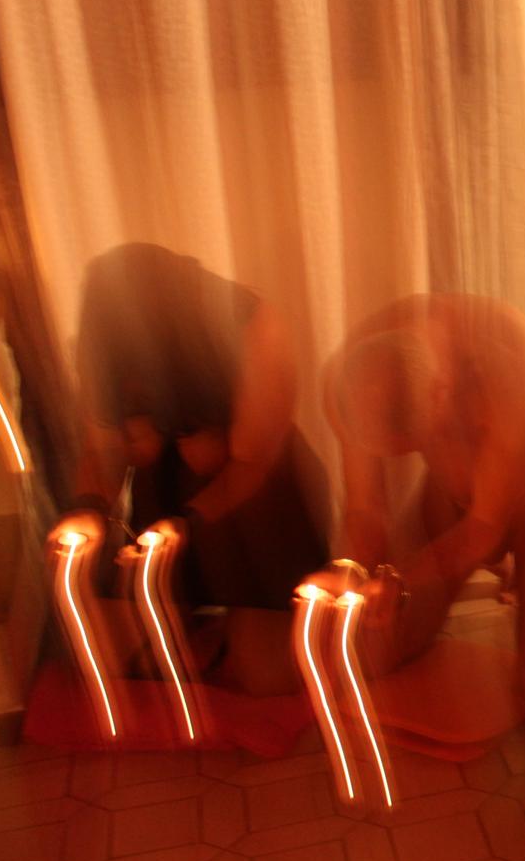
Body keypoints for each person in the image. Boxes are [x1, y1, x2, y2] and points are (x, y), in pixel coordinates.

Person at [51, 243, 331, 695]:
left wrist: (188, 524)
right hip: (168, 500)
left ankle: (232, 624)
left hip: (256, 500)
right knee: (106, 658)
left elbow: (253, 464)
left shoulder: (252, 322)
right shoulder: (108, 341)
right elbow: (102, 449)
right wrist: (87, 509)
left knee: (268, 678)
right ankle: (194, 623)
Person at [323, 293, 525, 714]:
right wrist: (353, 576)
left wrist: (400, 579)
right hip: (448, 495)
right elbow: (365, 509)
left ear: (440, 393)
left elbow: (484, 530)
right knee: (367, 651)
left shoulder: (507, 367)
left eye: (416, 442)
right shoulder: (350, 378)